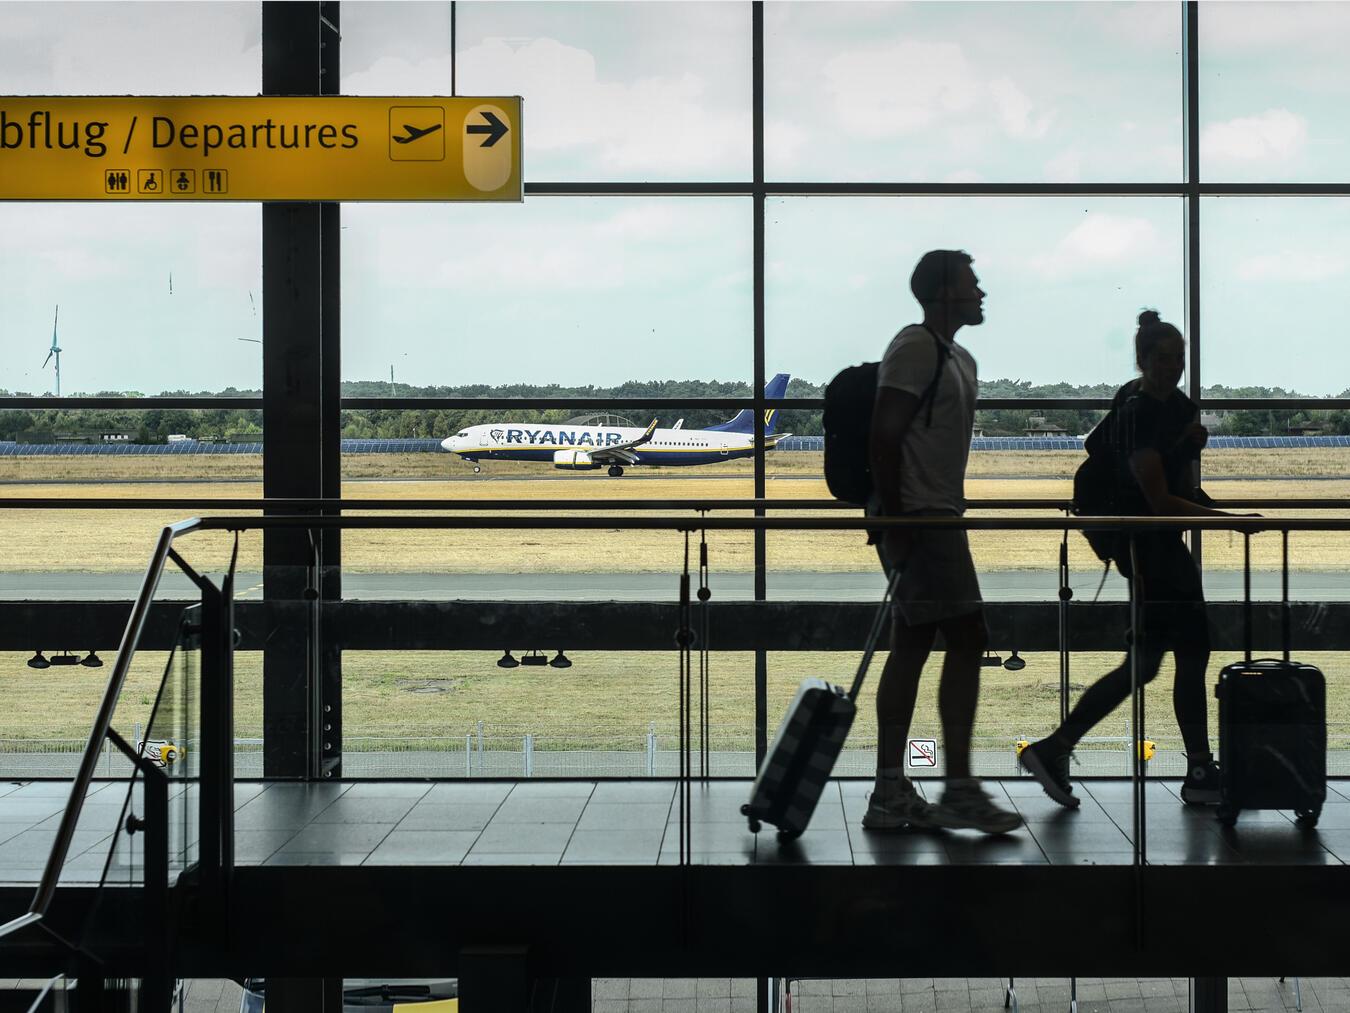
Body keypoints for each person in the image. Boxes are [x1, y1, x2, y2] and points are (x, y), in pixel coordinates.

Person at [1020, 309, 1242, 809]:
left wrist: (1205, 497)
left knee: (1151, 664)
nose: (1173, 368)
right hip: (1152, 551)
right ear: (1143, 360)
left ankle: (1059, 748)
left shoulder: (1157, 407)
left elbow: (1175, 489)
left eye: (1179, 359)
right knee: (1178, 659)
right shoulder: (1145, 412)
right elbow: (1162, 500)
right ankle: (1199, 768)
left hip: (1153, 551)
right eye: (1164, 359)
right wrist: (1229, 519)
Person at [862, 250, 1022, 835]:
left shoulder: (960, 357)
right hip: (921, 518)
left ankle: (892, 787)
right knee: (967, 634)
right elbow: (884, 435)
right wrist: (898, 525)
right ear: (941, 292)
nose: (981, 292)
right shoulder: (916, 348)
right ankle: (955, 786)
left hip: (935, 516)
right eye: (971, 283)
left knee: (915, 644)